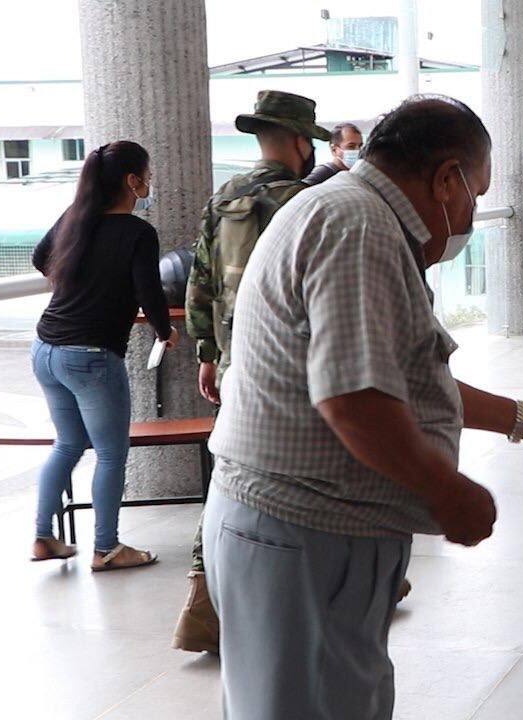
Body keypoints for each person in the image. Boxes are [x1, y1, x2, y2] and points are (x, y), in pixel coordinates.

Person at [201, 95, 523, 720]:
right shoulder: (358, 227)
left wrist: (519, 417)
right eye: (475, 193)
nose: (470, 214)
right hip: (304, 533)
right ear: (445, 178)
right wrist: (446, 490)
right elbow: (354, 401)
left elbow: (392, 378)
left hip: (310, 532)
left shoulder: (351, 212)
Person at [173, 90, 328, 655]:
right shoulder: (305, 201)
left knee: (231, 472)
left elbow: (201, 278)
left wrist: (207, 354)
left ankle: (202, 602)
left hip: (237, 357)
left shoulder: (226, 196)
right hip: (292, 361)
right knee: (299, 471)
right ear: (296, 140)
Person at [28, 140, 177, 571]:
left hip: (45, 349)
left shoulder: (75, 218)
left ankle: (43, 537)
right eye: (146, 175)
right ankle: (106, 547)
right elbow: (150, 294)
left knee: (69, 443)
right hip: (90, 355)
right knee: (112, 452)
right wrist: (166, 333)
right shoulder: (137, 233)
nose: (149, 182)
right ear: (132, 181)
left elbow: (42, 259)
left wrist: (83, 283)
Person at [303, 121, 363, 185]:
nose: (358, 150)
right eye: (351, 146)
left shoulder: (357, 173)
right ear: (334, 149)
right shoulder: (321, 174)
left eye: (360, 146)